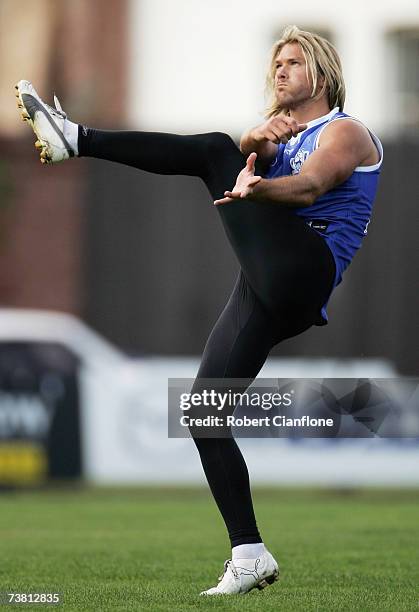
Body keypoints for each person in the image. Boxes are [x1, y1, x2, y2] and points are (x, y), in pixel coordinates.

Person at [15, 25, 382, 596]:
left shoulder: (347, 131)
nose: (280, 70)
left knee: (212, 147)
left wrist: (251, 175)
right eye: (276, 63)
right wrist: (253, 143)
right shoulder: (279, 136)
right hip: (266, 284)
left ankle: (76, 138)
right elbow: (255, 162)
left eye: (292, 61)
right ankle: (250, 553)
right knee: (203, 413)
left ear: (323, 73)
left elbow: (309, 188)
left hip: (304, 270)